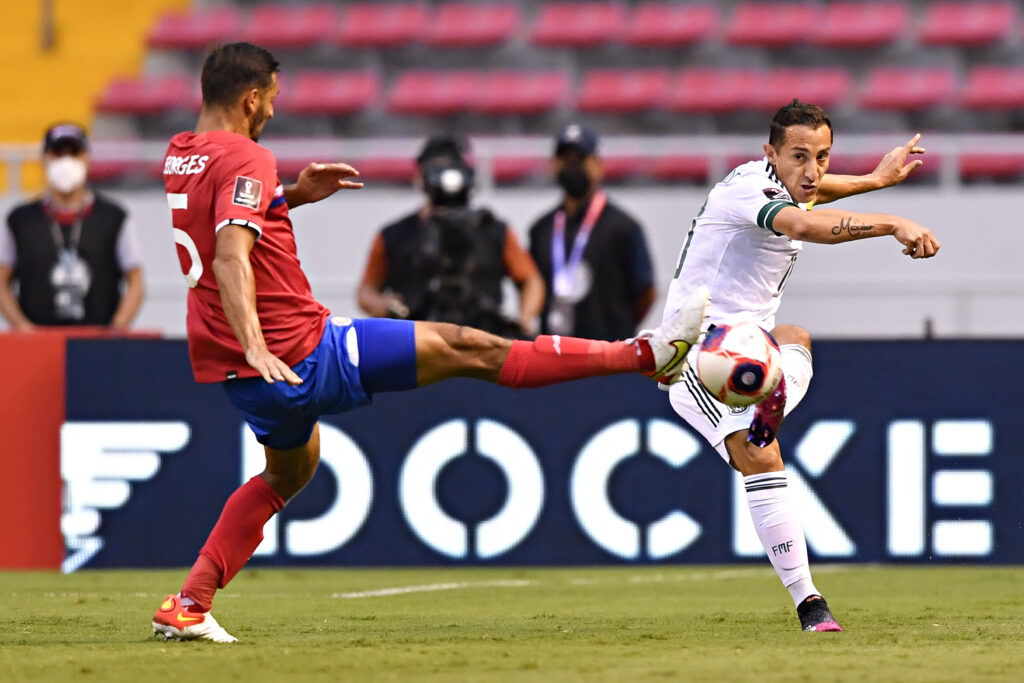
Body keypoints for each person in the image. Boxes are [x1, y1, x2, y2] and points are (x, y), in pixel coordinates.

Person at [152, 42, 710, 643]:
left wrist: (292, 197)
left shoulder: (182, 154)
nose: (271, 114)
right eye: (271, 102)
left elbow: (222, 222)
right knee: (475, 348)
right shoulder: (247, 155)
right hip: (299, 352)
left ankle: (190, 601)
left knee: (291, 470)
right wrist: (259, 342)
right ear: (251, 97)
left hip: (240, 374)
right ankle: (648, 355)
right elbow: (232, 255)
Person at [663, 99, 940, 632]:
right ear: (769, 154)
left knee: (795, 340)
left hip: (750, 346)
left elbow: (816, 192)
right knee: (764, 461)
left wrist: (877, 180)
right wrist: (892, 223)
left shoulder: (789, 182)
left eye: (823, 156)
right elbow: (804, 224)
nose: (812, 171)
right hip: (697, 349)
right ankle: (810, 602)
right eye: (798, 156)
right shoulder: (749, 190)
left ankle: (764, 410)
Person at [357, 135, 544, 337]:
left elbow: (531, 280)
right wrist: (386, 306)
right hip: (418, 345)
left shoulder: (492, 230)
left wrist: (525, 317)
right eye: (434, 170)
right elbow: (366, 291)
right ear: (419, 176)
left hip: (483, 340)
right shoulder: (394, 235)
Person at [0, 123, 144, 330]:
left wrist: (116, 329)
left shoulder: (114, 217)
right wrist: (22, 327)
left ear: (87, 159)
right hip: (38, 342)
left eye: (74, 153)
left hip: (97, 342)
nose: (65, 161)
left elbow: (136, 279)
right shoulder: (20, 220)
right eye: (58, 154)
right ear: (44, 160)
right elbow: (2, 281)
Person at [528, 124, 656, 341]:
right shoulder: (541, 229)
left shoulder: (623, 227)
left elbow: (646, 292)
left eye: (580, 158)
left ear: (598, 165)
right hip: (554, 356)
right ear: (553, 165)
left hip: (609, 354)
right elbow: (533, 286)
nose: (572, 165)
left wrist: (620, 327)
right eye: (565, 159)